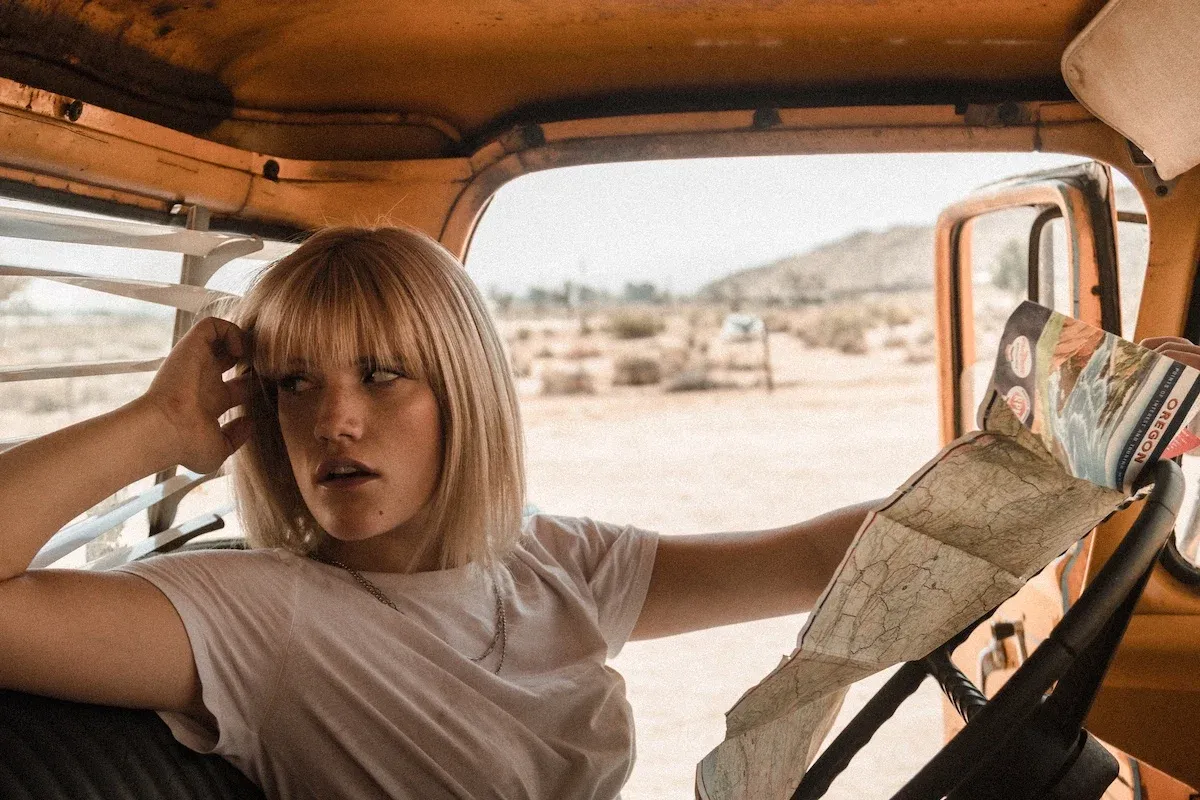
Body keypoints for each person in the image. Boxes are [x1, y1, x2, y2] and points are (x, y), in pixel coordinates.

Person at [0, 226, 1195, 799]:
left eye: (381, 376)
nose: (334, 422)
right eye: (294, 385)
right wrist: (152, 430)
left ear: (461, 393)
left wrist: (1054, 454)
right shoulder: (251, 615)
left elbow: (826, 558)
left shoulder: (547, 563)